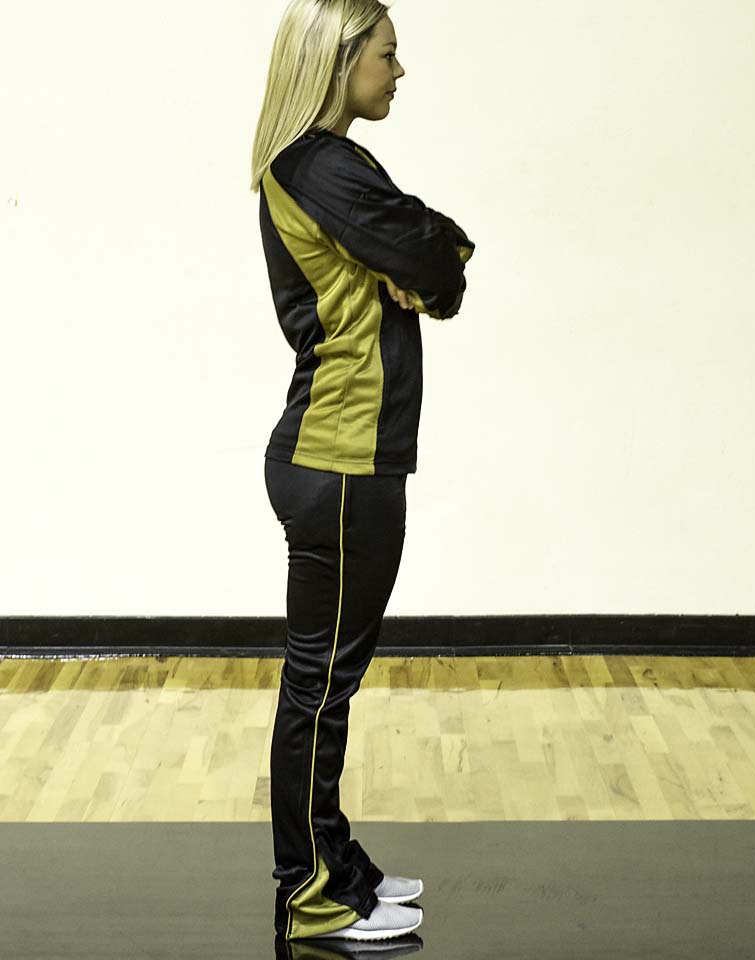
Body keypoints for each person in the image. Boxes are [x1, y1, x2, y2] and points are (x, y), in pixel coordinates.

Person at [250, 0, 475, 944]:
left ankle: (337, 865)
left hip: (346, 458)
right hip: (338, 461)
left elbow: (435, 263)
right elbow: (434, 253)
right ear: (340, 61)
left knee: (327, 682)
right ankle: (312, 893)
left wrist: (432, 262)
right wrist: (430, 261)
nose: (399, 70)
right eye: (387, 53)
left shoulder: (331, 163)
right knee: (320, 687)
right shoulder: (320, 167)